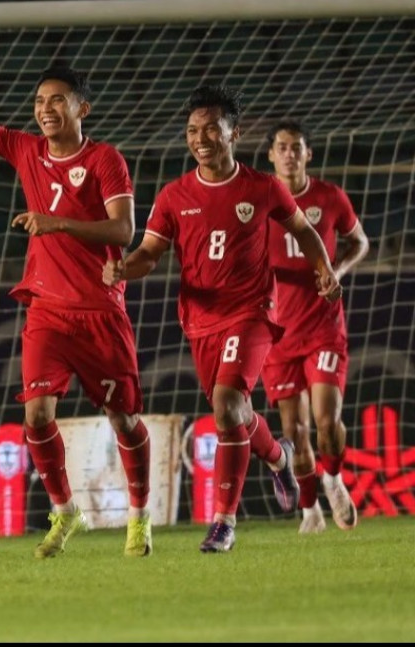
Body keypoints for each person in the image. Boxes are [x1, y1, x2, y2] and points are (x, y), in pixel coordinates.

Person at [103, 86, 341, 553]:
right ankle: (279, 457)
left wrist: (324, 269)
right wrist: (122, 268)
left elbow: (304, 231)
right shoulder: (174, 196)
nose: (201, 138)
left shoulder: (262, 186)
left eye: (212, 128)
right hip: (200, 321)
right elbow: (150, 253)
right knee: (237, 413)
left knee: (227, 407)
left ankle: (223, 522)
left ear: (236, 131)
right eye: (193, 130)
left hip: (252, 314)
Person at [0, 42, 154, 558]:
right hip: (46, 310)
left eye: (57, 100)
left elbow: (125, 230)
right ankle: (65, 511)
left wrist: (58, 223)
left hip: (101, 310)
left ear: (83, 108)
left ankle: (139, 516)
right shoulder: (25, 149)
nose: (45, 109)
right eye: (40, 100)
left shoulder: (106, 159)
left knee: (125, 420)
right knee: (36, 415)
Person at [260, 120, 367, 534]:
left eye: (297, 147)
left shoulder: (329, 197)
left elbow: (361, 242)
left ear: (309, 154)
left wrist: (337, 269)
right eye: (282, 147)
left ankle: (334, 478)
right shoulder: (259, 200)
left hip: (323, 327)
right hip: (278, 335)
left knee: (326, 419)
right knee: (294, 430)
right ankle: (310, 511)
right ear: (271, 155)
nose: (289, 154)